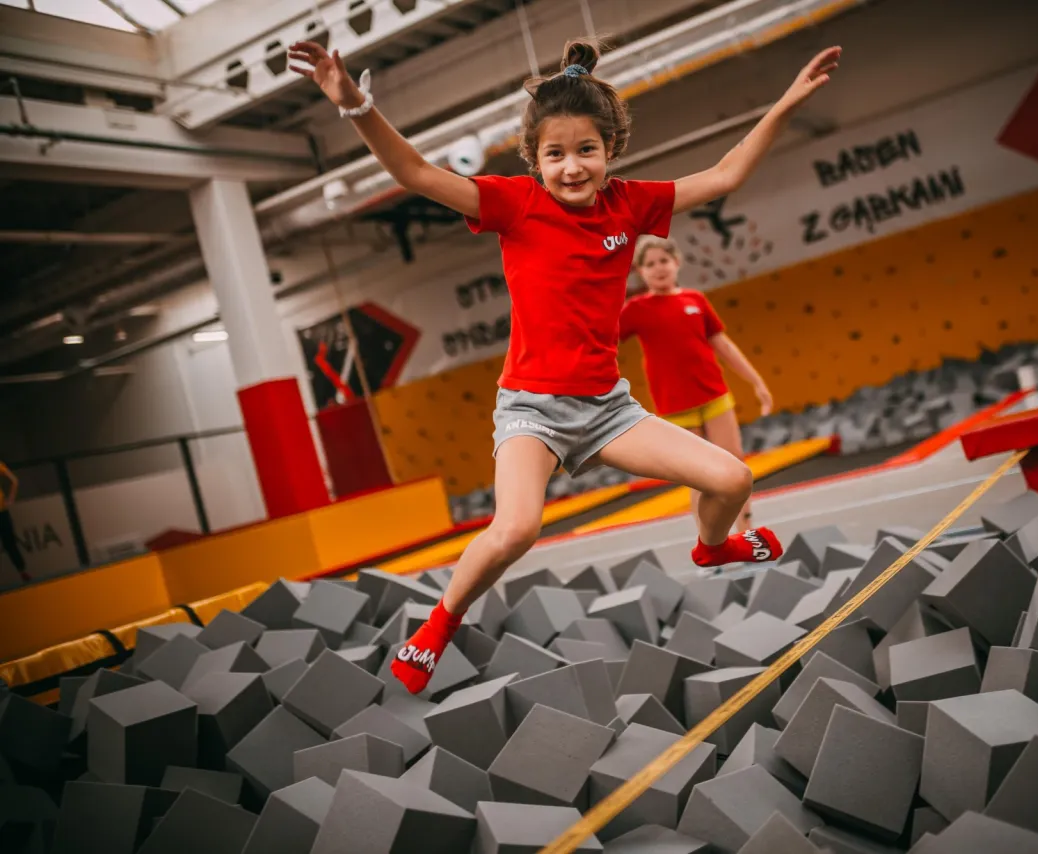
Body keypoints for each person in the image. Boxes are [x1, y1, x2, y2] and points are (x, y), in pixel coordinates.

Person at [289, 36, 840, 694]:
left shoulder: (630, 204)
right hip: (531, 409)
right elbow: (414, 173)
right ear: (534, 157)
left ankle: (713, 543)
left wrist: (786, 101)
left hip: (608, 410)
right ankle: (439, 623)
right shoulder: (513, 204)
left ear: (611, 151)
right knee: (517, 527)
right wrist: (355, 105)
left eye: (587, 151)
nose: (572, 167)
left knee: (733, 479)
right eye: (555, 154)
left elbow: (724, 174)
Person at [620, 237, 772, 532]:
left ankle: (747, 531)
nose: (658, 268)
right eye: (650, 264)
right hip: (675, 407)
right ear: (640, 271)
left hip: (714, 397)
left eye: (663, 261)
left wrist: (757, 382)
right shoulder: (636, 310)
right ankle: (710, 541)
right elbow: (603, 338)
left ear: (677, 262)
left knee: (736, 468)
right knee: (700, 478)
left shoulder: (695, 300)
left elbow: (724, 346)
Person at [0, 460, 29, 584]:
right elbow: (14, 480)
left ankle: (22, 571)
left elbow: (14, 481)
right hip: (2, 511)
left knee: (10, 543)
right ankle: (22, 571)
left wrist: (10, 499)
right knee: (10, 543)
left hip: (2, 512)